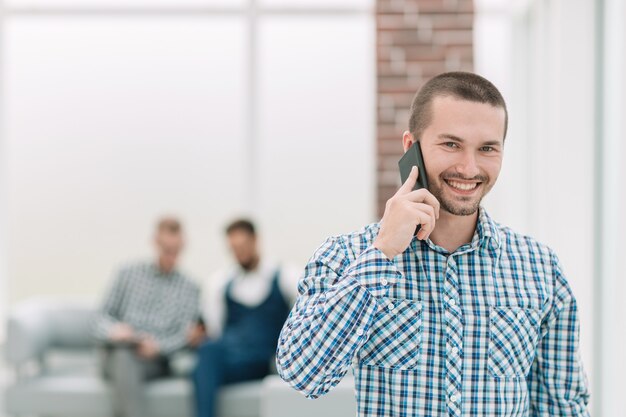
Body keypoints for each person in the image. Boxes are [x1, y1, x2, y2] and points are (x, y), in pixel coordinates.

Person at [276, 72, 590, 416]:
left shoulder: (540, 267)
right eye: (451, 144)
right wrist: (382, 253)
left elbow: (562, 407)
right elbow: (302, 374)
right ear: (412, 147)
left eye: (486, 148)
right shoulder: (347, 255)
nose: (469, 168)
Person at [92, 217, 201, 417]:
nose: (171, 256)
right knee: (123, 356)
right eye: (166, 249)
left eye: (176, 250)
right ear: (155, 242)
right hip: (117, 351)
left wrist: (158, 347)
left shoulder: (190, 288)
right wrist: (114, 330)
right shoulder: (127, 273)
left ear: (183, 246)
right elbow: (99, 317)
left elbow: (184, 337)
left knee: (126, 365)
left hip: (154, 361)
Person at [190, 219, 298, 417]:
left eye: (242, 246)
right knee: (206, 353)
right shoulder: (220, 284)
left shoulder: (284, 276)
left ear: (255, 240)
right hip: (231, 357)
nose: (238, 253)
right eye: (233, 249)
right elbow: (215, 329)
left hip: (263, 358)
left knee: (205, 363)